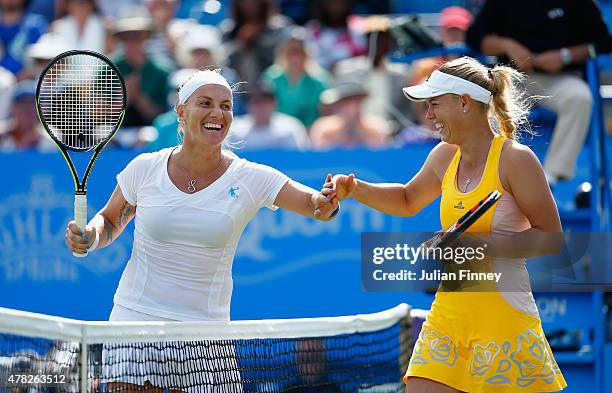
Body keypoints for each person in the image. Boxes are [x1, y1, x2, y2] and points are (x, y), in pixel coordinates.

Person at [63, 69, 339, 391]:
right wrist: (91, 237)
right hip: (136, 317)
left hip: (204, 332)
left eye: (226, 106)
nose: (217, 114)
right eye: (205, 103)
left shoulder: (251, 177)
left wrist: (329, 200)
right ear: (181, 112)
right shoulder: (145, 168)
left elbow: (315, 206)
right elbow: (110, 221)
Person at [325, 57, 567, 392]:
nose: (429, 115)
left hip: (503, 316)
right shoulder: (442, 156)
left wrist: (480, 247)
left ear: (465, 103)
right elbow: (408, 199)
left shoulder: (516, 159)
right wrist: (356, 189)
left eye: (435, 104)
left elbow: (551, 238)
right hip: (449, 312)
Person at [466, 0, 612, 185]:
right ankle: (488, 177)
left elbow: (603, 42)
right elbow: (474, 37)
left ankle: (548, 179)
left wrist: (565, 56)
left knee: (580, 98)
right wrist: (507, 45)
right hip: (512, 77)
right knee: (486, 104)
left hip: (561, 78)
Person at [228, 83, 310, 150]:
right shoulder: (235, 129)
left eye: (265, 102)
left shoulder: (292, 127)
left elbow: (301, 158)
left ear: (274, 103)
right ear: (248, 106)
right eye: (256, 103)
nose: (261, 107)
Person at [310, 80, 390, 149]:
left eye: (356, 101)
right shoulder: (323, 129)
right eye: (345, 102)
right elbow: (320, 156)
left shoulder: (377, 128)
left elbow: (382, 156)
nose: (351, 108)